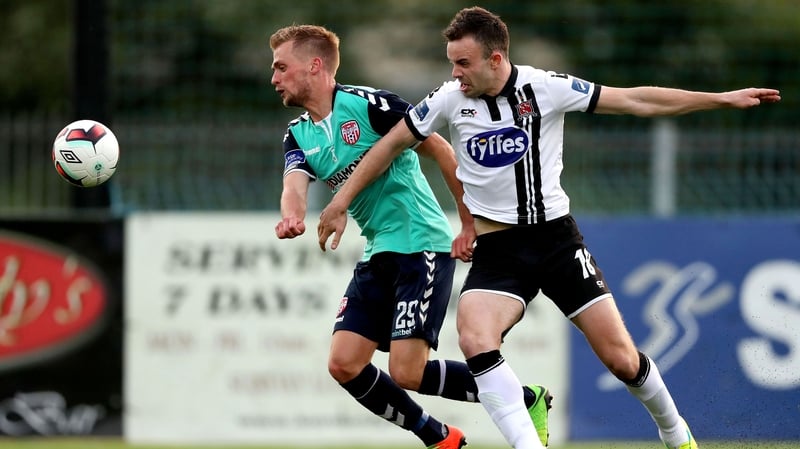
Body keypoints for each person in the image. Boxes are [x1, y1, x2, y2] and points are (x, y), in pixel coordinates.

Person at [317, 7, 781, 449]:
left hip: (557, 241)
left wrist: (718, 98)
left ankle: (676, 434)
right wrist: (339, 202)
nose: (455, 74)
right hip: (499, 249)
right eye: (451, 64)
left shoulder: (545, 87)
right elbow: (390, 144)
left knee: (620, 359)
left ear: (495, 58)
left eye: (463, 63)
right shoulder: (448, 99)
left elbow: (636, 98)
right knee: (475, 336)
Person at [269, 24, 554, 449]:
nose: (274, 78)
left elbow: (439, 148)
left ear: (315, 66)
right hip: (378, 249)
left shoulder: (370, 105)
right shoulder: (298, 133)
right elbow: (294, 184)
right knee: (344, 364)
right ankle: (439, 437)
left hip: (421, 244)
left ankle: (524, 398)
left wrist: (468, 220)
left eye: (280, 67)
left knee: (408, 371)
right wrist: (291, 218)